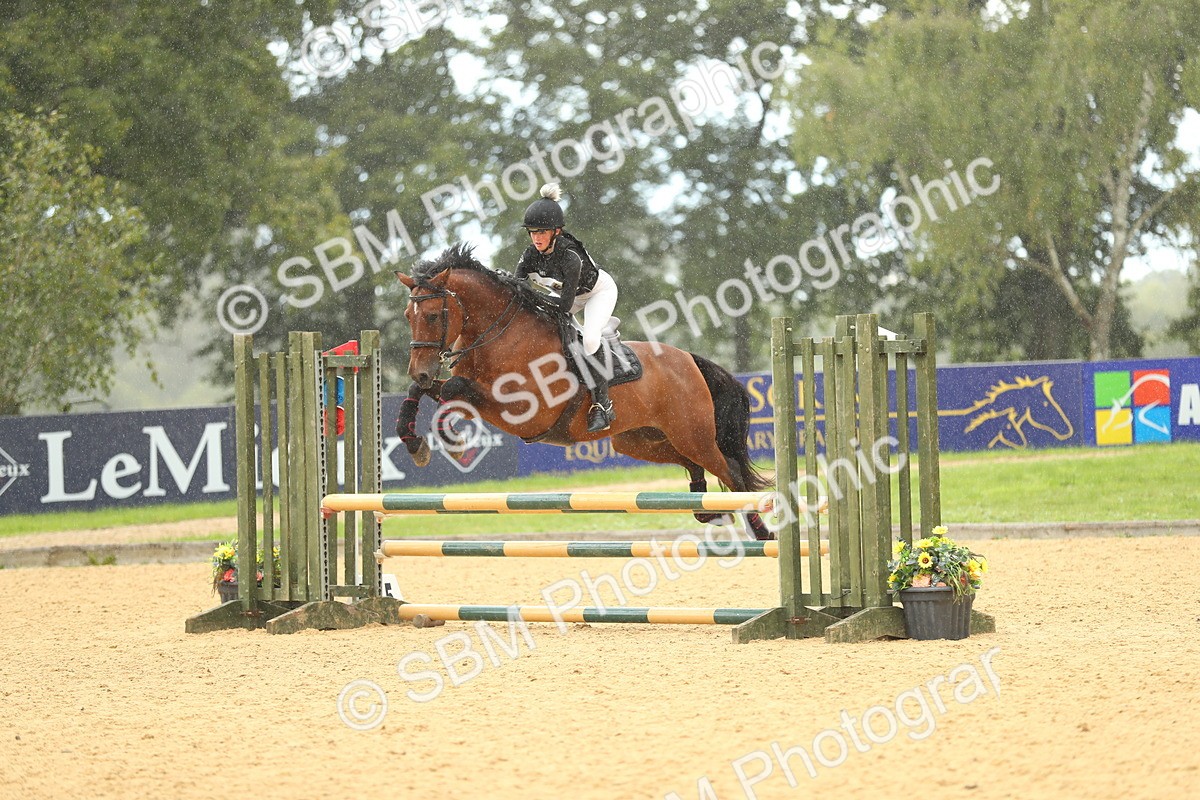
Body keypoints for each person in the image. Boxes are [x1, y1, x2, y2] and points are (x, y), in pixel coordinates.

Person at [516, 183, 619, 432]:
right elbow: (517, 289)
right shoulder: (530, 255)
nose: (537, 238)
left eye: (542, 232)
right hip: (565, 295)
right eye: (532, 232)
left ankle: (602, 407)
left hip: (596, 293)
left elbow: (564, 306)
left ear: (557, 232)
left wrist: (533, 298)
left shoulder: (570, 256)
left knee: (590, 340)